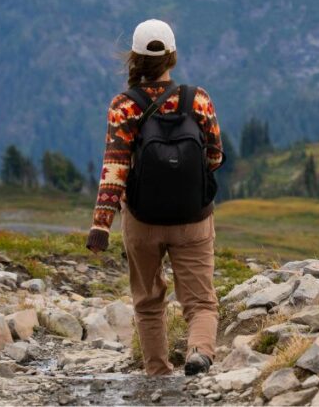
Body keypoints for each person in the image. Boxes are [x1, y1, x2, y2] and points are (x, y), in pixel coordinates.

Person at [86, 19, 224, 376]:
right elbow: (215, 157)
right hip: (193, 219)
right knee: (201, 302)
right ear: (172, 58)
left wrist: (100, 225)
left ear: (133, 58)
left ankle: (158, 375)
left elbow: (114, 170)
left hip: (143, 221)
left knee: (148, 302)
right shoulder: (198, 100)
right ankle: (199, 352)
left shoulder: (124, 106)